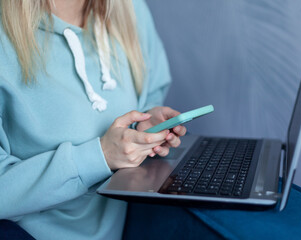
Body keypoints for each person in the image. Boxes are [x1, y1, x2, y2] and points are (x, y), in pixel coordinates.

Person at [0, 0, 187, 239]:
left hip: (131, 219)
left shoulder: (129, 8)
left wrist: (144, 123)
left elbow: (151, 89)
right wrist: (101, 156)